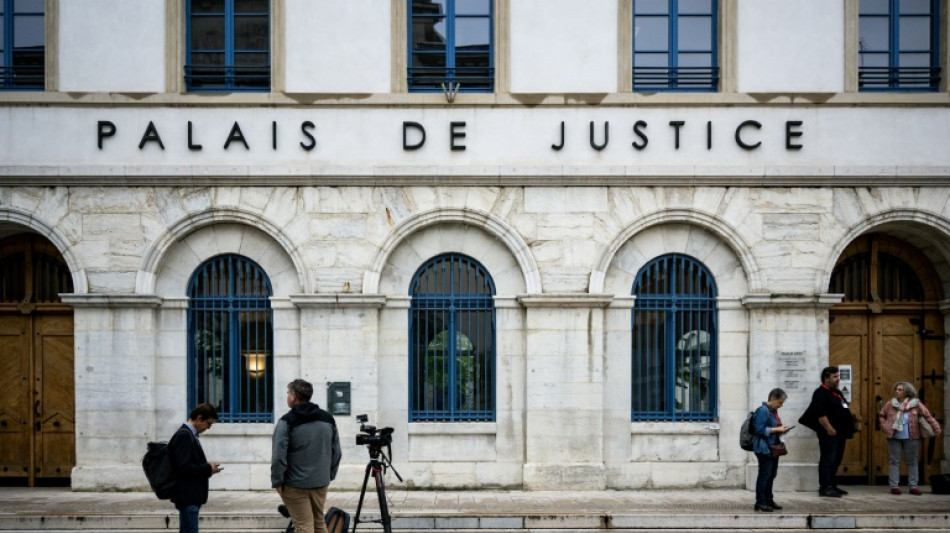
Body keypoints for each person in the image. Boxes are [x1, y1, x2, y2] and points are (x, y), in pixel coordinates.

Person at [272, 379, 342, 533]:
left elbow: (278, 456)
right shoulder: (328, 419)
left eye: (288, 393)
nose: (287, 396)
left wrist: (278, 480)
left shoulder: (286, 422)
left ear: (293, 396)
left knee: (304, 526)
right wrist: (328, 475)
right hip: (320, 482)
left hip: (295, 484)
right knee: (318, 523)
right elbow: (336, 452)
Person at [877, 381, 942, 495]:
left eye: (900, 389)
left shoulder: (916, 404)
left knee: (912, 461)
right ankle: (894, 486)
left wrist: (936, 428)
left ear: (907, 392)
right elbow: (882, 415)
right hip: (894, 437)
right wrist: (885, 426)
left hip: (913, 437)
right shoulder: (890, 404)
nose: (897, 391)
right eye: (896, 389)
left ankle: (913, 486)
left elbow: (928, 416)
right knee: (894, 461)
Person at [799, 365, 854, 498]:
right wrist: (829, 428)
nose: (838, 379)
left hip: (840, 433)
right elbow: (820, 414)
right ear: (826, 378)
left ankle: (832, 484)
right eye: (835, 377)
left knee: (837, 459)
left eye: (838, 376)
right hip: (829, 433)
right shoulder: (820, 393)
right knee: (828, 459)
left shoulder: (837, 392)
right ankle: (825, 487)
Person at [167, 403, 222, 533]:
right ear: (199, 418)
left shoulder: (189, 435)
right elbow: (184, 467)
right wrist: (208, 468)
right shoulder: (184, 435)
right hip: (188, 496)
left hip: (190, 497)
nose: (208, 428)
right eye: (208, 424)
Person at [752, 388, 791, 512]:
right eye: (780, 402)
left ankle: (769, 499)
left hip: (773, 448)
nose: (781, 405)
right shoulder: (763, 411)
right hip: (764, 448)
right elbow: (758, 430)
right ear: (772, 399)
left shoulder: (773, 411)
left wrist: (781, 428)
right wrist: (776, 430)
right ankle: (760, 502)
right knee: (765, 475)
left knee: (771, 475)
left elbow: (772, 427)